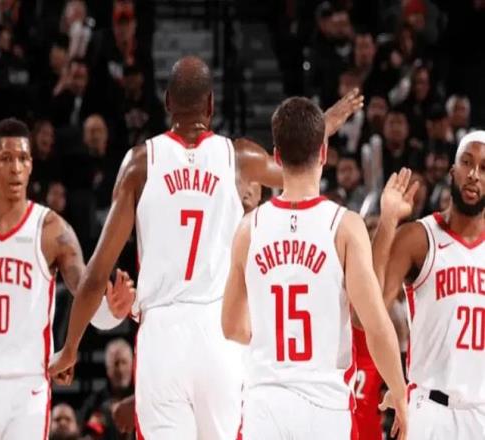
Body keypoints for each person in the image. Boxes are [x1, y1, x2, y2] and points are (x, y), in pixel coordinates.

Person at [49, 56, 363, 439]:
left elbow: (98, 272)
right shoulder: (239, 157)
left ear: (167, 102)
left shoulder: (139, 164)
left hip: (163, 332)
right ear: (211, 105)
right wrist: (326, 122)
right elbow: (297, 163)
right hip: (219, 333)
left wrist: (70, 347)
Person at [221, 96, 407, 439]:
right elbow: (376, 325)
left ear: (276, 157)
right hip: (324, 407)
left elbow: (231, 326)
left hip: (265, 405)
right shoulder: (345, 226)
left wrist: (271, 336)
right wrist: (399, 392)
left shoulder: (248, 229)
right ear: (323, 153)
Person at [0, 118, 133, 439]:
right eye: (6, 158)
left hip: (27, 384)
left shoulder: (52, 230)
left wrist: (109, 312)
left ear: (31, 165)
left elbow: (83, 285)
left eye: (23, 158)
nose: (15, 168)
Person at [374, 132, 485, 439]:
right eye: (467, 163)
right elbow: (368, 311)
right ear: (453, 171)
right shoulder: (418, 238)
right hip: (430, 410)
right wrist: (387, 222)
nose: (474, 175)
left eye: (484, 168)